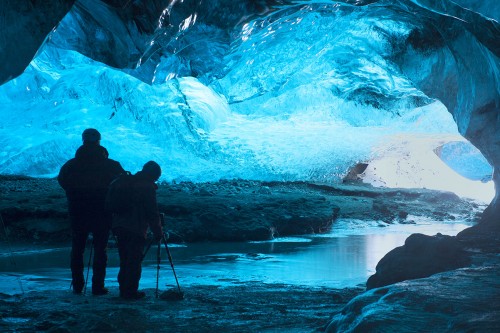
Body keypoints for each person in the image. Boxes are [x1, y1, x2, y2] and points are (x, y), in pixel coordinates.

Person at [58, 128, 125, 295]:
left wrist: (74, 195)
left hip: (78, 212)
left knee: (78, 249)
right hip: (103, 213)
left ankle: (78, 286)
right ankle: (97, 286)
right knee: (101, 249)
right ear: (99, 142)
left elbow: (63, 181)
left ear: (83, 141)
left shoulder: (71, 165)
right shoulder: (111, 165)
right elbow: (122, 184)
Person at [112, 161, 163, 300]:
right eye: (156, 177)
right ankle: (131, 292)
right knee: (134, 261)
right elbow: (152, 212)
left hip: (119, 226)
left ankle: (123, 290)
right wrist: (158, 232)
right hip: (136, 227)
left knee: (124, 259)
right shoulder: (147, 187)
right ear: (153, 175)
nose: (156, 180)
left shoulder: (128, 181)